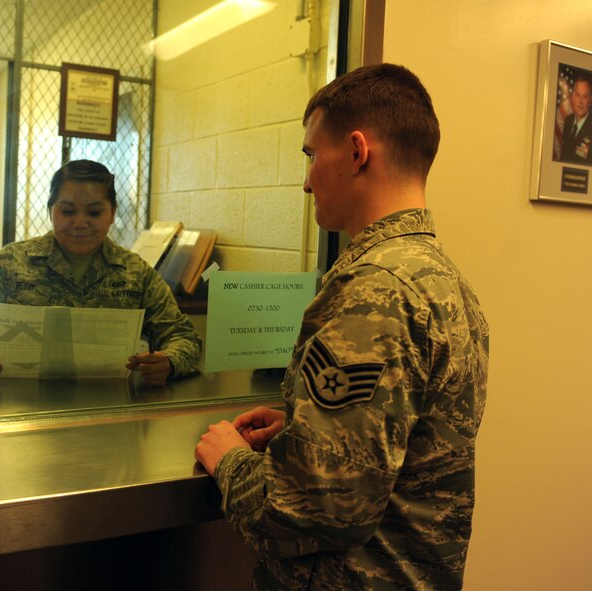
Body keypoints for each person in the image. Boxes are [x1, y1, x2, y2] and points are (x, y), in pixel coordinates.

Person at [195, 64, 489, 590]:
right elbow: (412, 448)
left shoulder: (373, 289)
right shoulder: (440, 277)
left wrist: (230, 461)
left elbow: (312, 510)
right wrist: (307, 431)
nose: (306, 183)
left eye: (311, 155)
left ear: (356, 152)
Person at [0, 159, 201, 386]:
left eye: (94, 212)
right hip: (15, 409)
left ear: (112, 213)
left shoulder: (135, 272)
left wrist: (169, 362)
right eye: (67, 211)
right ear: (50, 211)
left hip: (108, 411)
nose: (80, 222)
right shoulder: (10, 263)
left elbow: (184, 337)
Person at [558, 74, 592, 166]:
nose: (580, 101)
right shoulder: (568, 121)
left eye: (585, 96)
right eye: (578, 95)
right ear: (573, 97)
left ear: (590, 101)